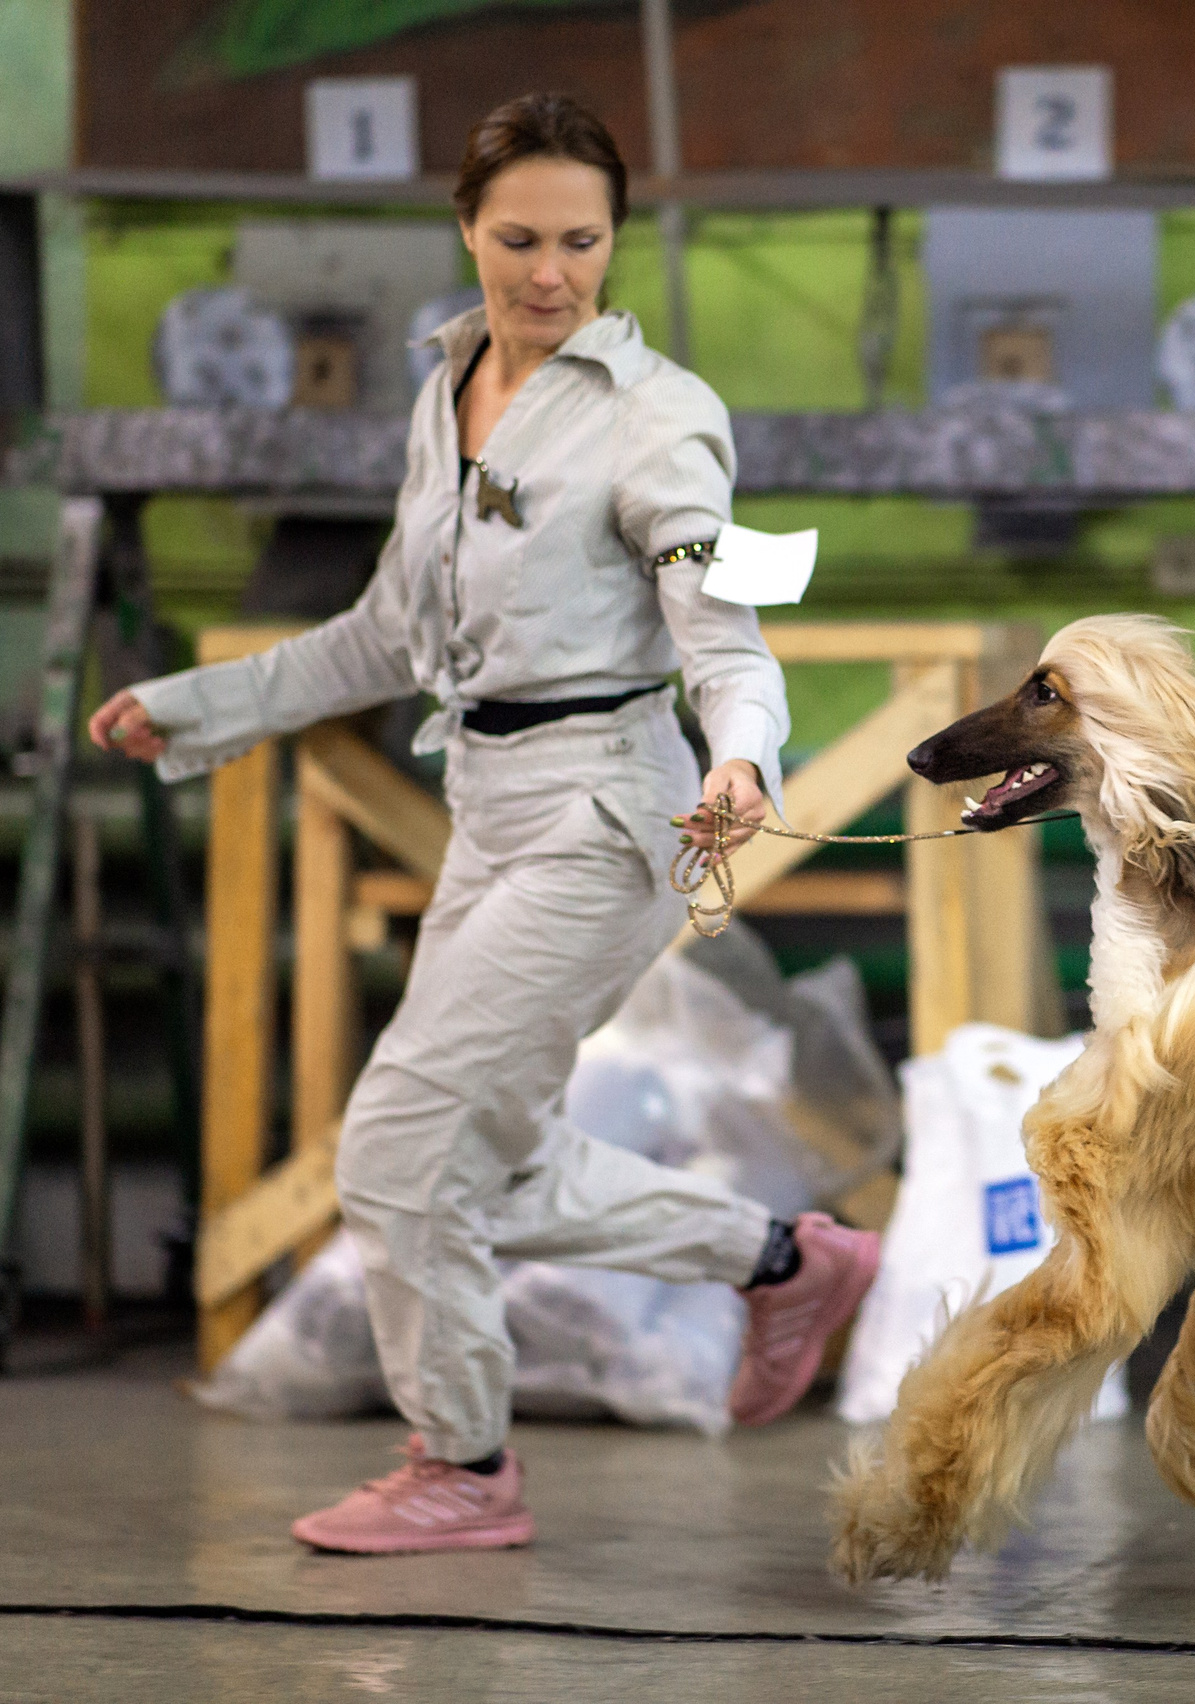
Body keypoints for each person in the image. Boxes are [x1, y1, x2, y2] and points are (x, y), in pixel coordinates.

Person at [89, 93, 880, 1555]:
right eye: (519, 239)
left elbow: (725, 629)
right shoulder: (444, 388)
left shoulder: (661, 418)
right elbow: (386, 636)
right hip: (490, 807)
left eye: (582, 241)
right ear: (466, 229)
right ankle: (783, 1262)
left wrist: (744, 757)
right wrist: (197, 708)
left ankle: (462, 1463)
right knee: (485, 1166)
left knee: (396, 1148)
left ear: (615, 240)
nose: (550, 273)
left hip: (609, 814)